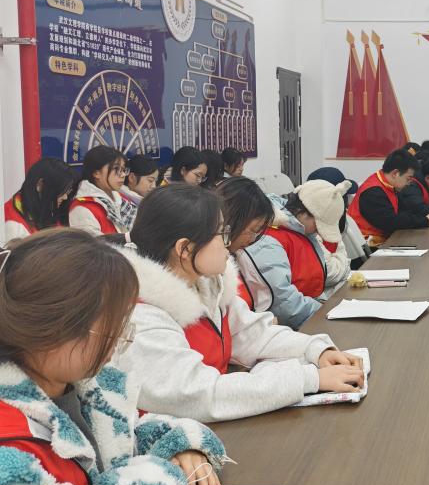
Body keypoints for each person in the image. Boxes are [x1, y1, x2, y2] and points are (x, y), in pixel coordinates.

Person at [0, 229, 229, 485]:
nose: (120, 340)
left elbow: (131, 434)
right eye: (108, 327)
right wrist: (166, 475)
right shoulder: (10, 441)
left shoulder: (80, 388)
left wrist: (183, 447)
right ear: (50, 328)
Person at [113, 184, 365, 422]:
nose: (228, 245)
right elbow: (200, 394)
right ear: (185, 249)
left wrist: (316, 351)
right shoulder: (140, 315)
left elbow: (251, 334)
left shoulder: (207, 284)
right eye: (221, 234)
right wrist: (309, 378)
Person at [237, 179, 352, 329]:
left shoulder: (300, 231)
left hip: (306, 315)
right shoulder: (269, 239)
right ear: (304, 214)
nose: (319, 232)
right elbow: (283, 302)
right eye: (319, 225)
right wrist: (324, 311)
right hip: (290, 324)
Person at [351, 149, 429, 246]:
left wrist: (424, 218)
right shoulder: (373, 192)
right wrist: (425, 221)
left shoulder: (389, 185)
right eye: (408, 178)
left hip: (383, 238)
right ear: (395, 173)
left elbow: (404, 212)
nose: (409, 183)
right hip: (368, 245)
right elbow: (391, 222)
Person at [216, 176, 277, 309]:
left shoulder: (237, 255)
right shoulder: (210, 266)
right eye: (253, 230)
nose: (253, 239)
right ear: (232, 219)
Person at [3, 157, 77, 240]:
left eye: (67, 191)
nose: (65, 197)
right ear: (40, 185)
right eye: (61, 191)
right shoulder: (14, 227)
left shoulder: (41, 206)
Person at [68, 146, 135, 235]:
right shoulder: (82, 208)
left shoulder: (122, 198)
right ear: (96, 173)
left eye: (123, 169)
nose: (123, 175)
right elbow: (91, 243)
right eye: (116, 169)